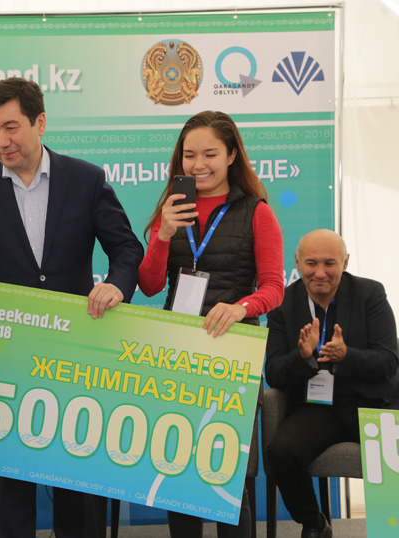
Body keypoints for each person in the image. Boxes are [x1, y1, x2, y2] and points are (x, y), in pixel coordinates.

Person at [0, 77, 144, 538]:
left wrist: (117, 286)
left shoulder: (86, 179)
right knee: (10, 484)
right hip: (5, 358)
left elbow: (126, 249)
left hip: (77, 354)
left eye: (11, 127)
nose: (1, 141)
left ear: (40, 122)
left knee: (79, 481)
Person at [138, 110, 285, 537]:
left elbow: (274, 287)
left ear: (232, 155)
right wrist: (162, 235)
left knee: (228, 480)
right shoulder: (170, 210)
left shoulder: (256, 212)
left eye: (210, 154)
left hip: (229, 356)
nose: (198, 165)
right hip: (176, 355)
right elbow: (149, 285)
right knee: (175, 471)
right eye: (189, 155)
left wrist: (241, 307)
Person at [265, 229, 399, 538]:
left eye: (330, 263)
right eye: (311, 263)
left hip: (372, 402)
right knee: (282, 452)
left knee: (390, 454)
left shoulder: (370, 294)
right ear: (297, 262)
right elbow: (274, 373)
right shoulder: (283, 303)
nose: (320, 272)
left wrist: (346, 355)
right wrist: (302, 357)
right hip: (317, 406)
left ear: (345, 262)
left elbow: (388, 361)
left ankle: (389, 530)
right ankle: (314, 523)